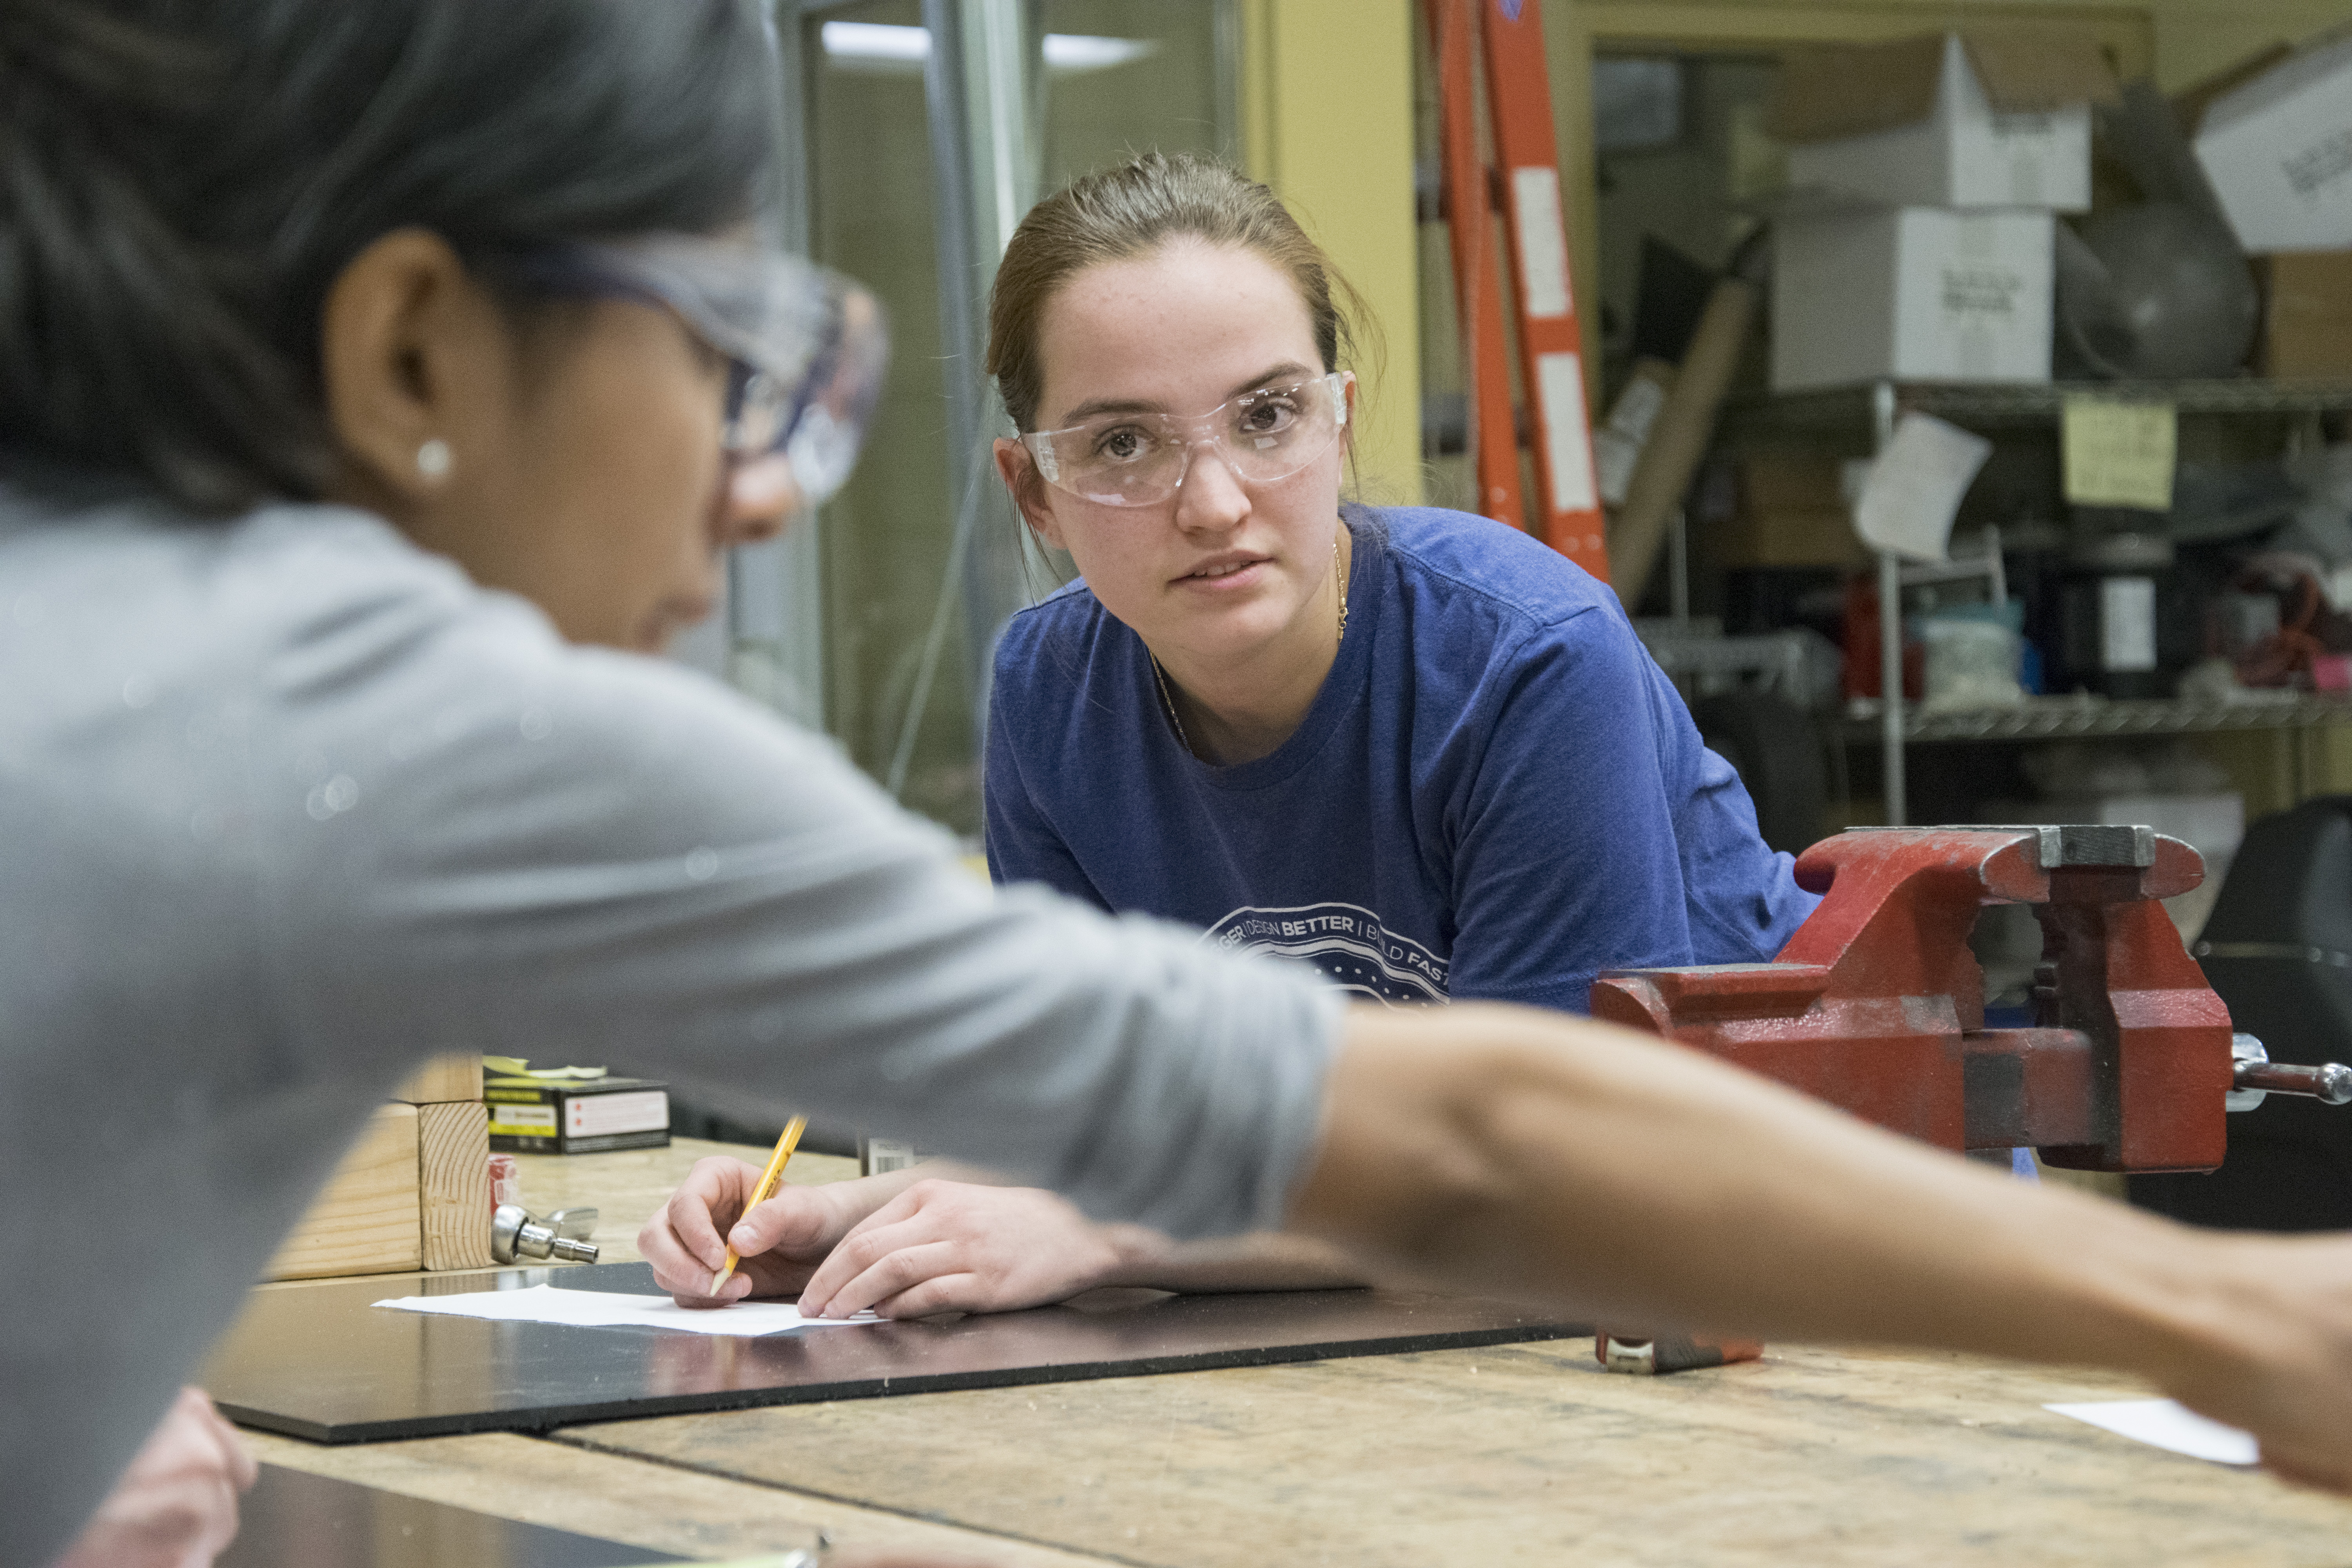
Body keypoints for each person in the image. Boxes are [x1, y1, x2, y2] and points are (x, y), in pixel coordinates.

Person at [14, 9, 2352, 1568]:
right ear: (414, 344)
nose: (756, 500)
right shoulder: (421, 726)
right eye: (723, 356)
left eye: (1264, 415)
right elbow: (1462, 1143)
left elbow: (1510, 1096)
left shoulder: (108, 630)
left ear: (1340, 408)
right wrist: (2245, 1330)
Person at [641, 152, 1818, 1316]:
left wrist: (1102, 1235)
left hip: (1815, 1249)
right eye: (1122, 444)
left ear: (1341, 422)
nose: (1212, 502)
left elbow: (1536, 1173)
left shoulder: (1528, 661)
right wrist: (862, 1224)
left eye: (1267, 416)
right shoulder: (1051, 696)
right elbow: (1096, 1126)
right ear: (1032, 491)